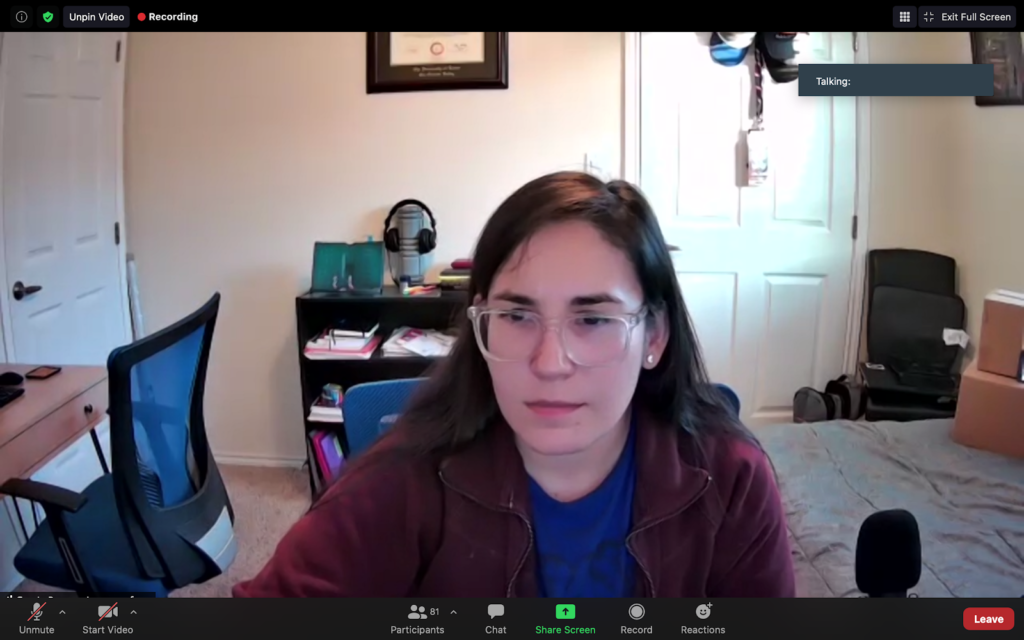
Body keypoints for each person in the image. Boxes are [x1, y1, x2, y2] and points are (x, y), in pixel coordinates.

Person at [233, 171, 795, 598]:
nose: (550, 363)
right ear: (480, 326)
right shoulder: (400, 482)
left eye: (594, 319)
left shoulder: (731, 479)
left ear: (654, 337)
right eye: (518, 316)